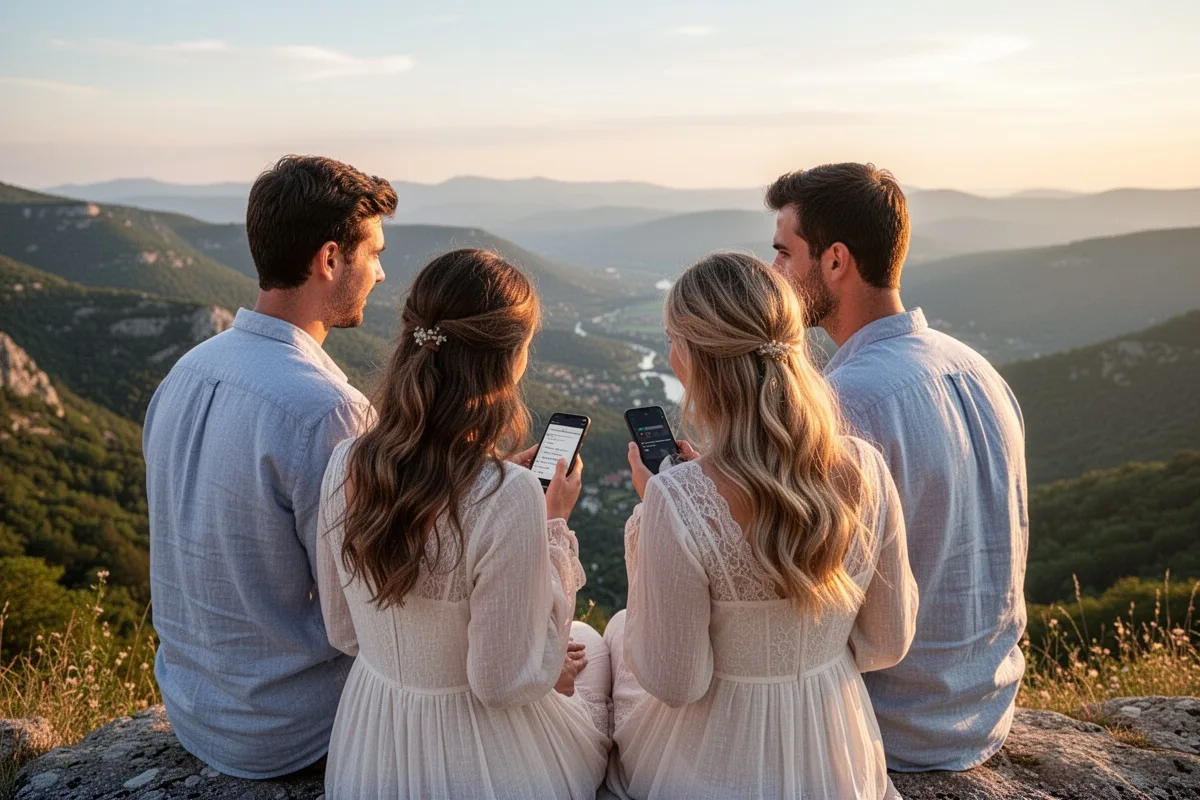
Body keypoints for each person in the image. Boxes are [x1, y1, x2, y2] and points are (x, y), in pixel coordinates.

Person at [605, 253, 917, 800]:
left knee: (608, 644)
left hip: (712, 761)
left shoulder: (676, 497)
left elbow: (677, 683)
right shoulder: (866, 468)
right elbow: (886, 644)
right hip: (837, 758)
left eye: (674, 340)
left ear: (693, 360)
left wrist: (660, 508)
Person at [316, 248, 612, 799]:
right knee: (593, 651)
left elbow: (343, 631)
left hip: (372, 743)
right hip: (480, 759)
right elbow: (503, 684)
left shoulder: (345, 464)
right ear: (510, 359)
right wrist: (548, 523)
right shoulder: (508, 495)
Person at [766, 162, 1029, 772]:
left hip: (892, 725)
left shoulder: (843, 401)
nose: (774, 273)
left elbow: (798, 591)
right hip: (983, 707)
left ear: (835, 261)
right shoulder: (977, 370)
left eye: (784, 253)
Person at [142, 155, 397, 777]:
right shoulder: (328, 410)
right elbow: (364, 613)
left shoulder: (186, 372)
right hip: (293, 728)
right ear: (329, 259)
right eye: (374, 254)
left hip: (195, 707)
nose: (383, 274)